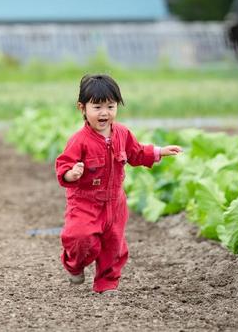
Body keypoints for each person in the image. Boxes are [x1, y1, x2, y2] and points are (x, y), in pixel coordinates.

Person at [55, 74, 182, 294]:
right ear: (82, 108)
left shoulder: (122, 133)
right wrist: (70, 174)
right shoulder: (79, 140)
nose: (104, 113)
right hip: (85, 202)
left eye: (110, 106)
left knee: (113, 247)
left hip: (115, 203)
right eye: (97, 107)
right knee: (81, 239)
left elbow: (137, 153)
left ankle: (106, 285)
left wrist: (159, 151)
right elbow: (63, 165)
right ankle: (74, 264)